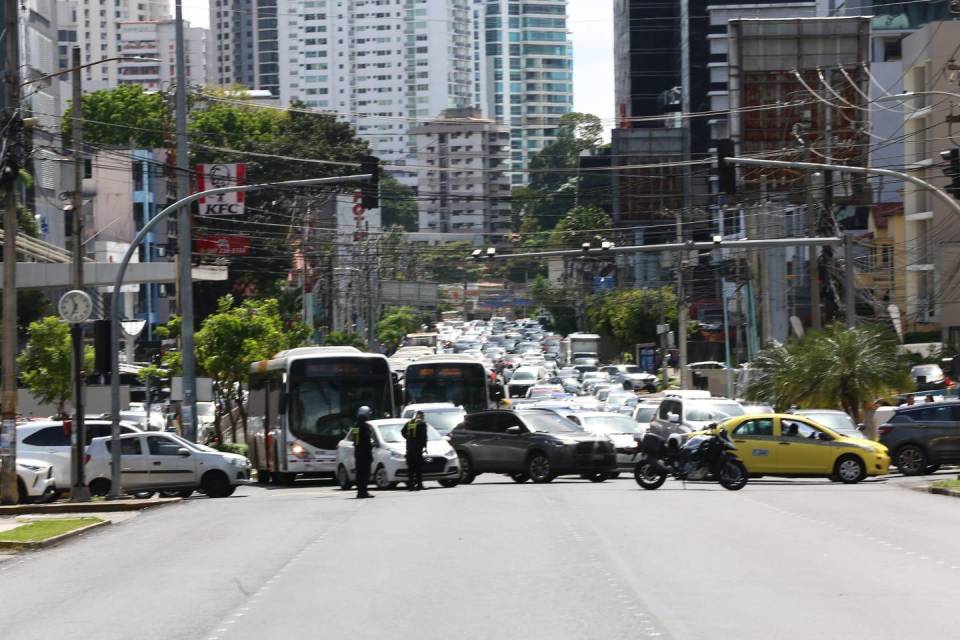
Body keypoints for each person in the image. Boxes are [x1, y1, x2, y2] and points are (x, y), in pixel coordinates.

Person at [351, 406, 376, 499]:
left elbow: (355, 440)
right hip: (364, 453)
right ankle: (363, 492)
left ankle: (360, 491)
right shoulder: (364, 427)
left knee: (360, 473)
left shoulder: (356, 425)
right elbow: (366, 441)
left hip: (358, 452)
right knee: (365, 473)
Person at [402, 410, 428, 491]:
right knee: (418, 468)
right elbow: (424, 436)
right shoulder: (422, 424)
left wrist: (408, 438)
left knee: (411, 468)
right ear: (422, 416)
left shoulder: (410, 422)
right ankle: (419, 485)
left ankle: (411, 485)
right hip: (417, 449)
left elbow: (402, 432)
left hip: (409, 448)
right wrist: (424, 446)